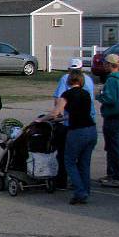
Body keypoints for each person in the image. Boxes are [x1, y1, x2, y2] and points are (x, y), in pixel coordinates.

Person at [48, 69, 97, 204]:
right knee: (84, 163)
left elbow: (56, 112)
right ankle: (86, 191)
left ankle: (80, 192)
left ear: (69, 80)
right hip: (91, 129)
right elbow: (79, 112)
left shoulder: (67, 94)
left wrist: (43, 119)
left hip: (77, 131)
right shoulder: (86, 94)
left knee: (69, 161)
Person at [96, 54, 119, 188]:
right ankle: (111, 173)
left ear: (110, 64)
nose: (104, 65)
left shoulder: (111, 80)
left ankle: (118, 176)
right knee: (111, 146)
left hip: (113, 116)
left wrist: (99, 96)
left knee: (113, 147)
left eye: (105, 63)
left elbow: (110, 99)